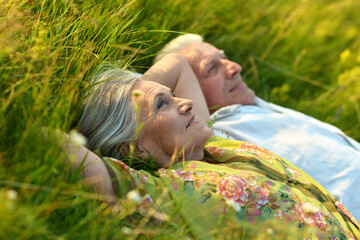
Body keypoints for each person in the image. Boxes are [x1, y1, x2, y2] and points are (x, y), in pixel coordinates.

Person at [69, 53, 360, 239]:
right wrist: (117, 113)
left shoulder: (214, 144)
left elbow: (179, 63)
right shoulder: (160, 192)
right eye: (163, 104)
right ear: (135, 149)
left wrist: (138, 93)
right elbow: (59, 144)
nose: (186, 103)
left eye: (172, 95)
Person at [154, 34, 360, 220]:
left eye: (224, 58)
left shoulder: (249, 106)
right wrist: (176, 65)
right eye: (212, 68)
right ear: (190, 94)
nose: (234, 67)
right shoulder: (221, 133)